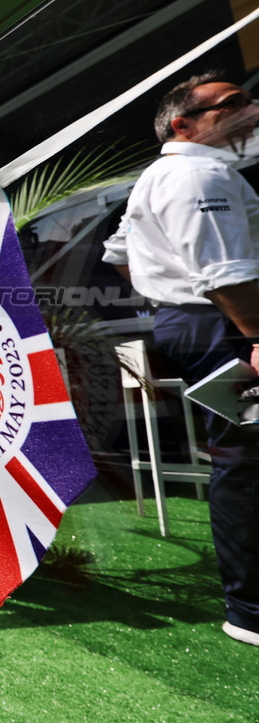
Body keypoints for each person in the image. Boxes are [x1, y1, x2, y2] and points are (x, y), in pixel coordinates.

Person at [103, 70, 259, 648]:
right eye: (230, 103)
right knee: (246, 459)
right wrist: (252, 336)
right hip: (227, 326)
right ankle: (250, 612)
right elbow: (227, 274)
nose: (249, 108)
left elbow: (118, 252)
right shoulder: (197, 172)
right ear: (183, 123)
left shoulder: (164, 175)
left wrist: (168, 291)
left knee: (243, 456)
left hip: (207, 322)